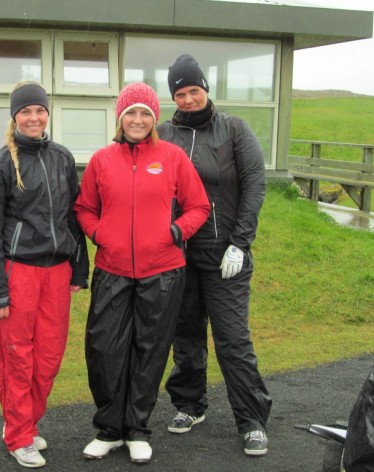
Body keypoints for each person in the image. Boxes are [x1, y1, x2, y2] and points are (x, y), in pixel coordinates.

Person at [74, 82, 210, 465]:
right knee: (104, 349)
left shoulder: (172, 157)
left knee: (149, 350)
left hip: (162, 272)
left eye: (145, 113)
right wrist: (100, 234)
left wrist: (176, 232)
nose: (137, 120)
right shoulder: (102, 160)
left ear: (154, 118)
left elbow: (199, 206)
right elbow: (84, 208)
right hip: (112, 270)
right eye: (130, 113)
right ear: (120, 118)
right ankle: (109, 430)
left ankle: (136, 429)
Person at [156, 53, 272, 456]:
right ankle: (190, 405)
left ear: (205, 88)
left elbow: (255, 186)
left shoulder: (234, 130)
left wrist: (241, 243)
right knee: (185, 336)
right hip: (178, 255)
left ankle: (252, 419)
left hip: (225, 256)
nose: (188, 99)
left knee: (232, 340)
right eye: (180, 94)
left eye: (194, 90)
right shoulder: (163, 133)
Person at [0, 81, 89, 469]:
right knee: (18, 358)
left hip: (57, 272)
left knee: (49, 357)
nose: (34, 117)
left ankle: (24, 422)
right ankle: (19, 434)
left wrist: (79, 266)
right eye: (26, 111)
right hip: (18, 272)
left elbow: (73, 216)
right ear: (15, 117)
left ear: (47, 113)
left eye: (40, 110)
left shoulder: (61, 158)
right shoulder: (1, 165)